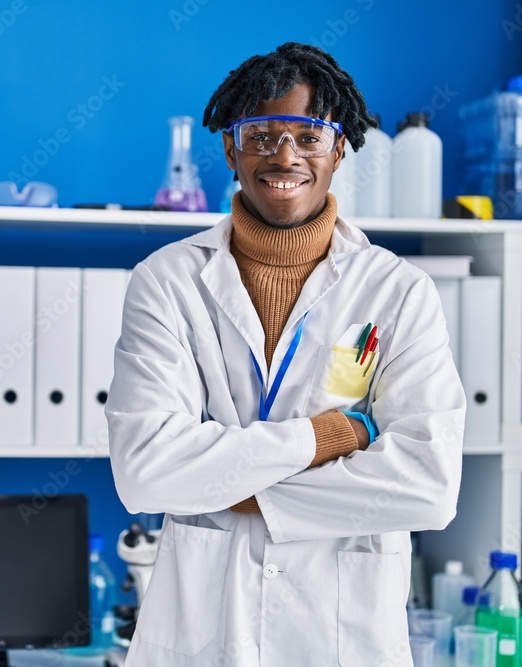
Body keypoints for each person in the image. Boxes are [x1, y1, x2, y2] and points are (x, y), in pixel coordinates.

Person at [106, 42, 465, 666]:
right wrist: (325, 438)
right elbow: (144, 471)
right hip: (202, 637)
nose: (284, 156)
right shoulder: (165, 281)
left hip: (342, 640)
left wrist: (230, 486)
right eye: (261, 135)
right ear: (229, 148)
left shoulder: (399, 291)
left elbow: (427, 486)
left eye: (308, 135)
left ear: (340, 149)